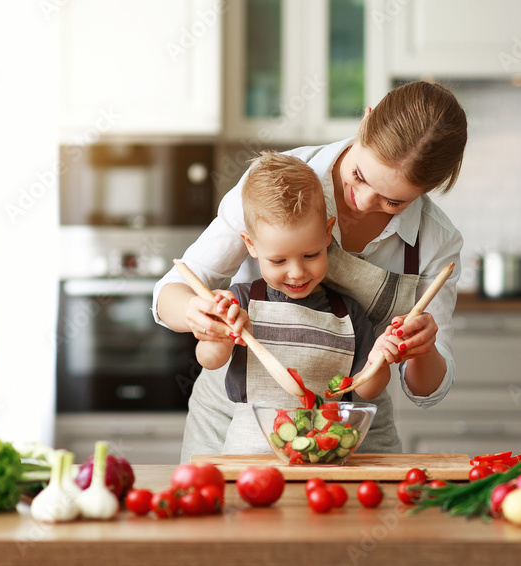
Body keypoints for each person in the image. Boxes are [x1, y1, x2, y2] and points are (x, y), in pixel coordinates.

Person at [153, 80, 468, 462]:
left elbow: (427, 391)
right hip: (237, 422)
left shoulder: (436, 240)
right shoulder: (273, 184)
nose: (365, 202)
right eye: (361, 176)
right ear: (364, 122)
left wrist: (423, 348)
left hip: (351, 430)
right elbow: (173, 289)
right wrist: (196, 314)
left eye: (394, 201)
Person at [192, 151, 402, 454]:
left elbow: (367, 389)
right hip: (248, 458)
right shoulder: (241, 301)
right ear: (251, 245)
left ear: (328, 234)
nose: (297, 272)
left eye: (311, 255)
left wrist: (379, 360)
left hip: (324, 453)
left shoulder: (347, 313)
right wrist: (221, 332)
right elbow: (209, 359)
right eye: (278, 260)